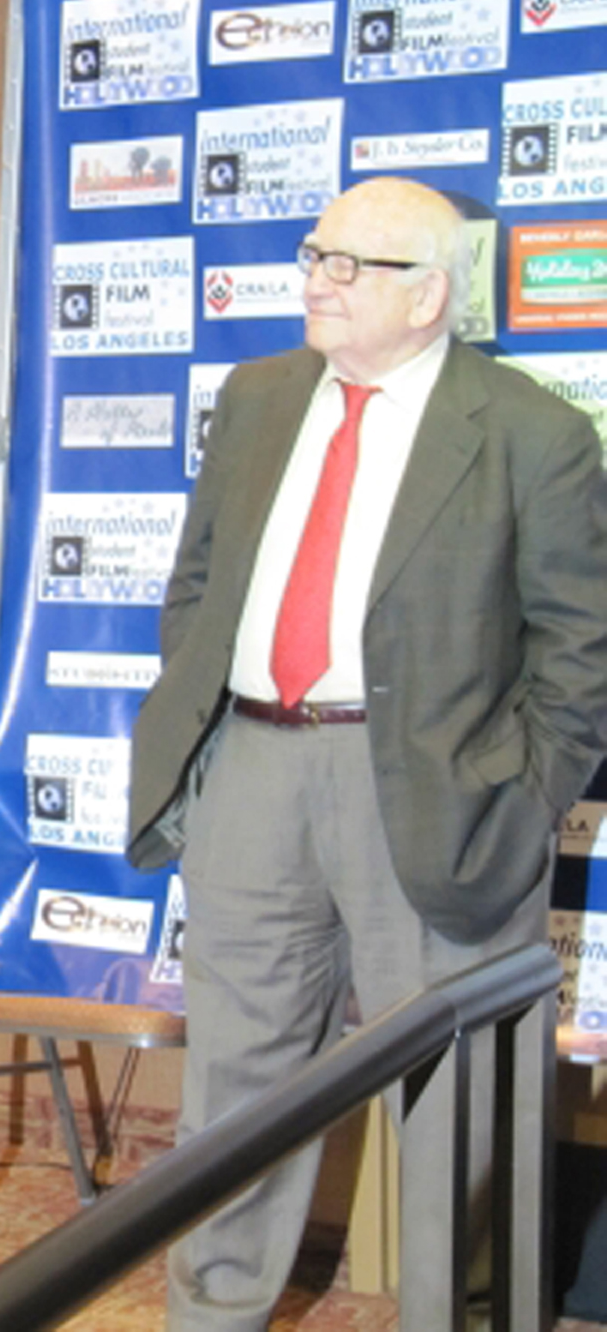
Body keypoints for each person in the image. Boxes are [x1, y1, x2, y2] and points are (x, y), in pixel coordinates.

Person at [127, 175, 607, 1329]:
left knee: (458, 1107)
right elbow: (198, 584)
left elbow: (580, 648)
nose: (318, 281)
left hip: (442, 798)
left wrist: (520, 793)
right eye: (315, 255)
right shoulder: (256, 398)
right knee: (234, 1093)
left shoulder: (533, 433)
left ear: (430, 295)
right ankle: (214, 1317)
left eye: (352, 265)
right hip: (253, 770)